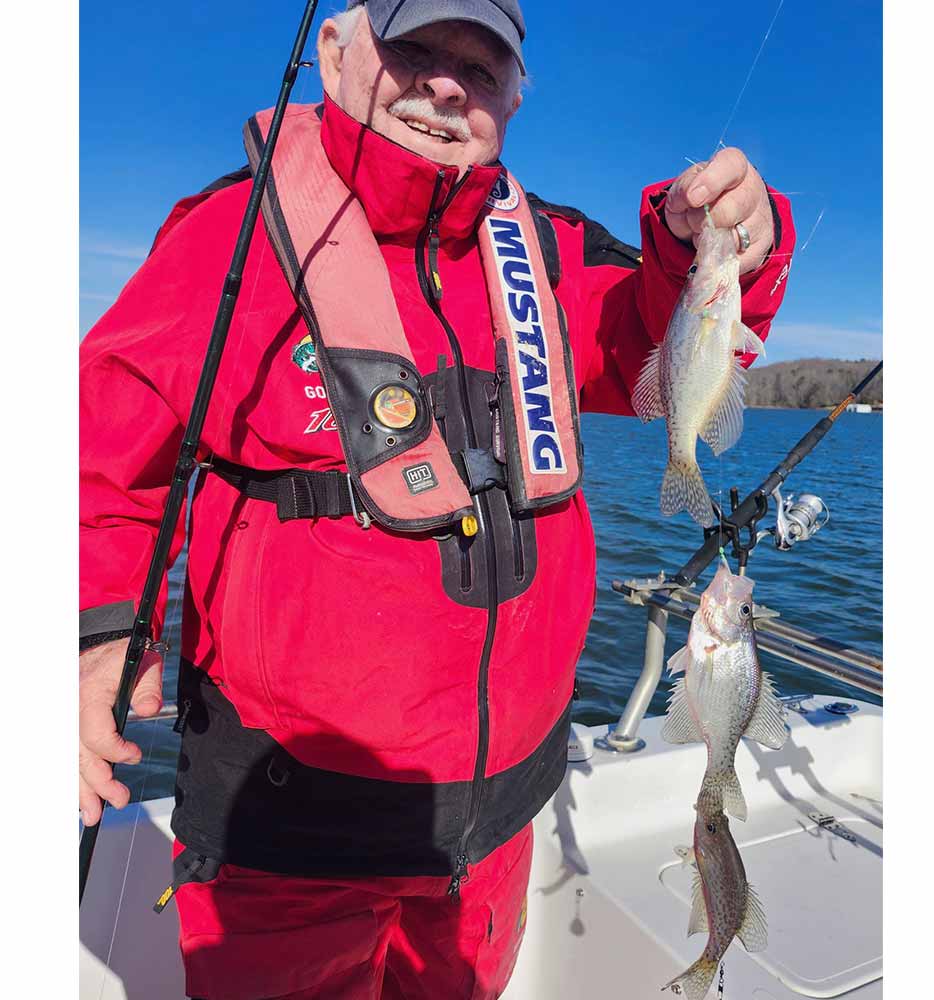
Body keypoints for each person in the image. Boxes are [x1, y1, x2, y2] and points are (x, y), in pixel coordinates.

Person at [79, 2, 795, 997]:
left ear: (513, 101)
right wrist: (94, 637)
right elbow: (95, 449)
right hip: (289, 826)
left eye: (483, 67)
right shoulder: (227, 237)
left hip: (498, 820)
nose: (448, 84)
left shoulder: (548, 250)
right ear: (335, 52)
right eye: (413, 47)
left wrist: (722, 243)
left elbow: (659, 341)